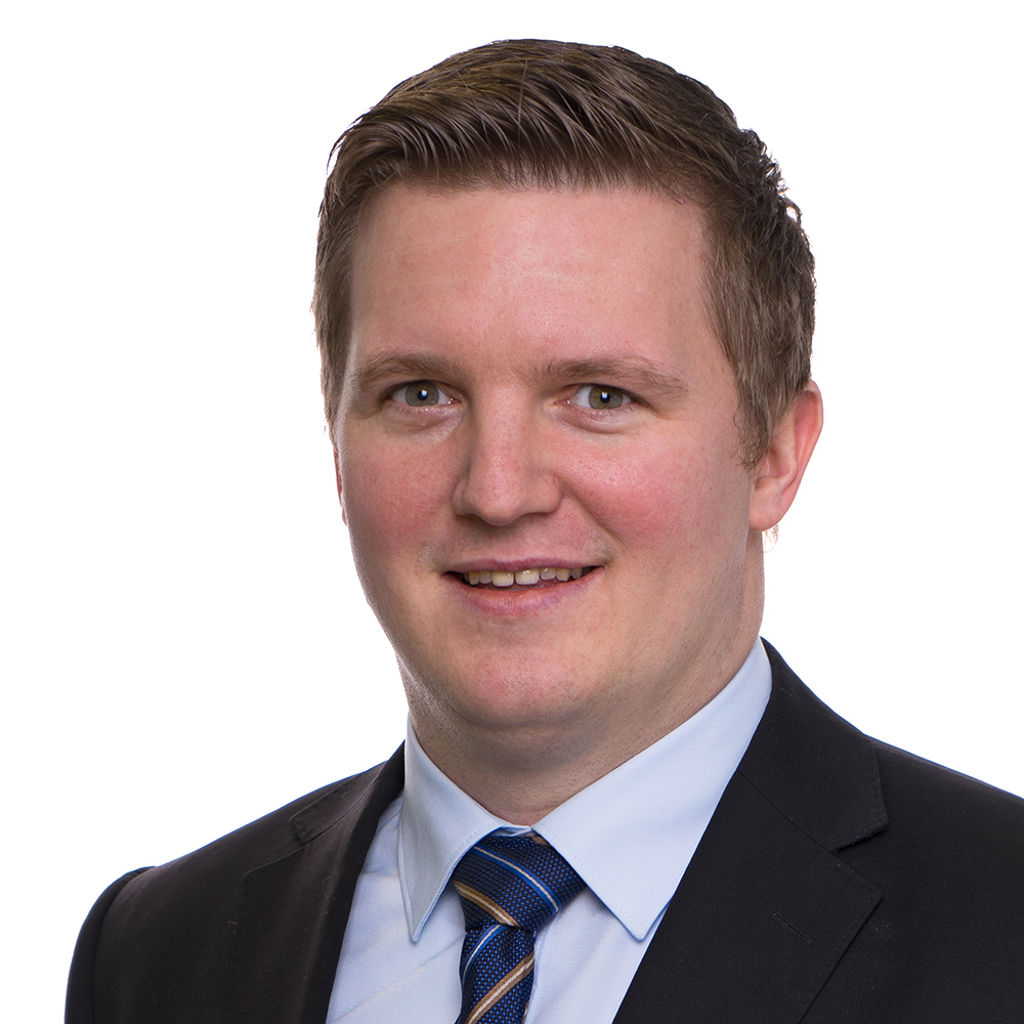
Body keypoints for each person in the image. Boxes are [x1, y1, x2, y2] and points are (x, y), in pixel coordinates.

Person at [66, 39, 1024, 1024]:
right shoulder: (154, 955)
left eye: (599, 395)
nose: (498, 490)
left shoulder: (1002, 927)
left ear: (775, 452)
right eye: (421, 394)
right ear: (337, 440)